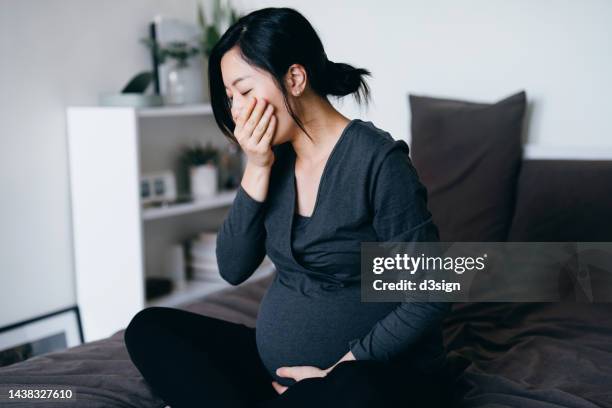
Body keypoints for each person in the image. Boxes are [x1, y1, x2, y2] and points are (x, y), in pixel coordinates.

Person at [124, 7, 452, 408]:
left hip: (363, 373)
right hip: (278, 372)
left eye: (244, 91)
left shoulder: (378, 161)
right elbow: (232, 267)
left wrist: (339, 370)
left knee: (360, 391)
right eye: (230, 99)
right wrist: (257, 167)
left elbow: (430, 293)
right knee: (150, 327)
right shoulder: (273, 159)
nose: (237, 111)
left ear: (294, 78)